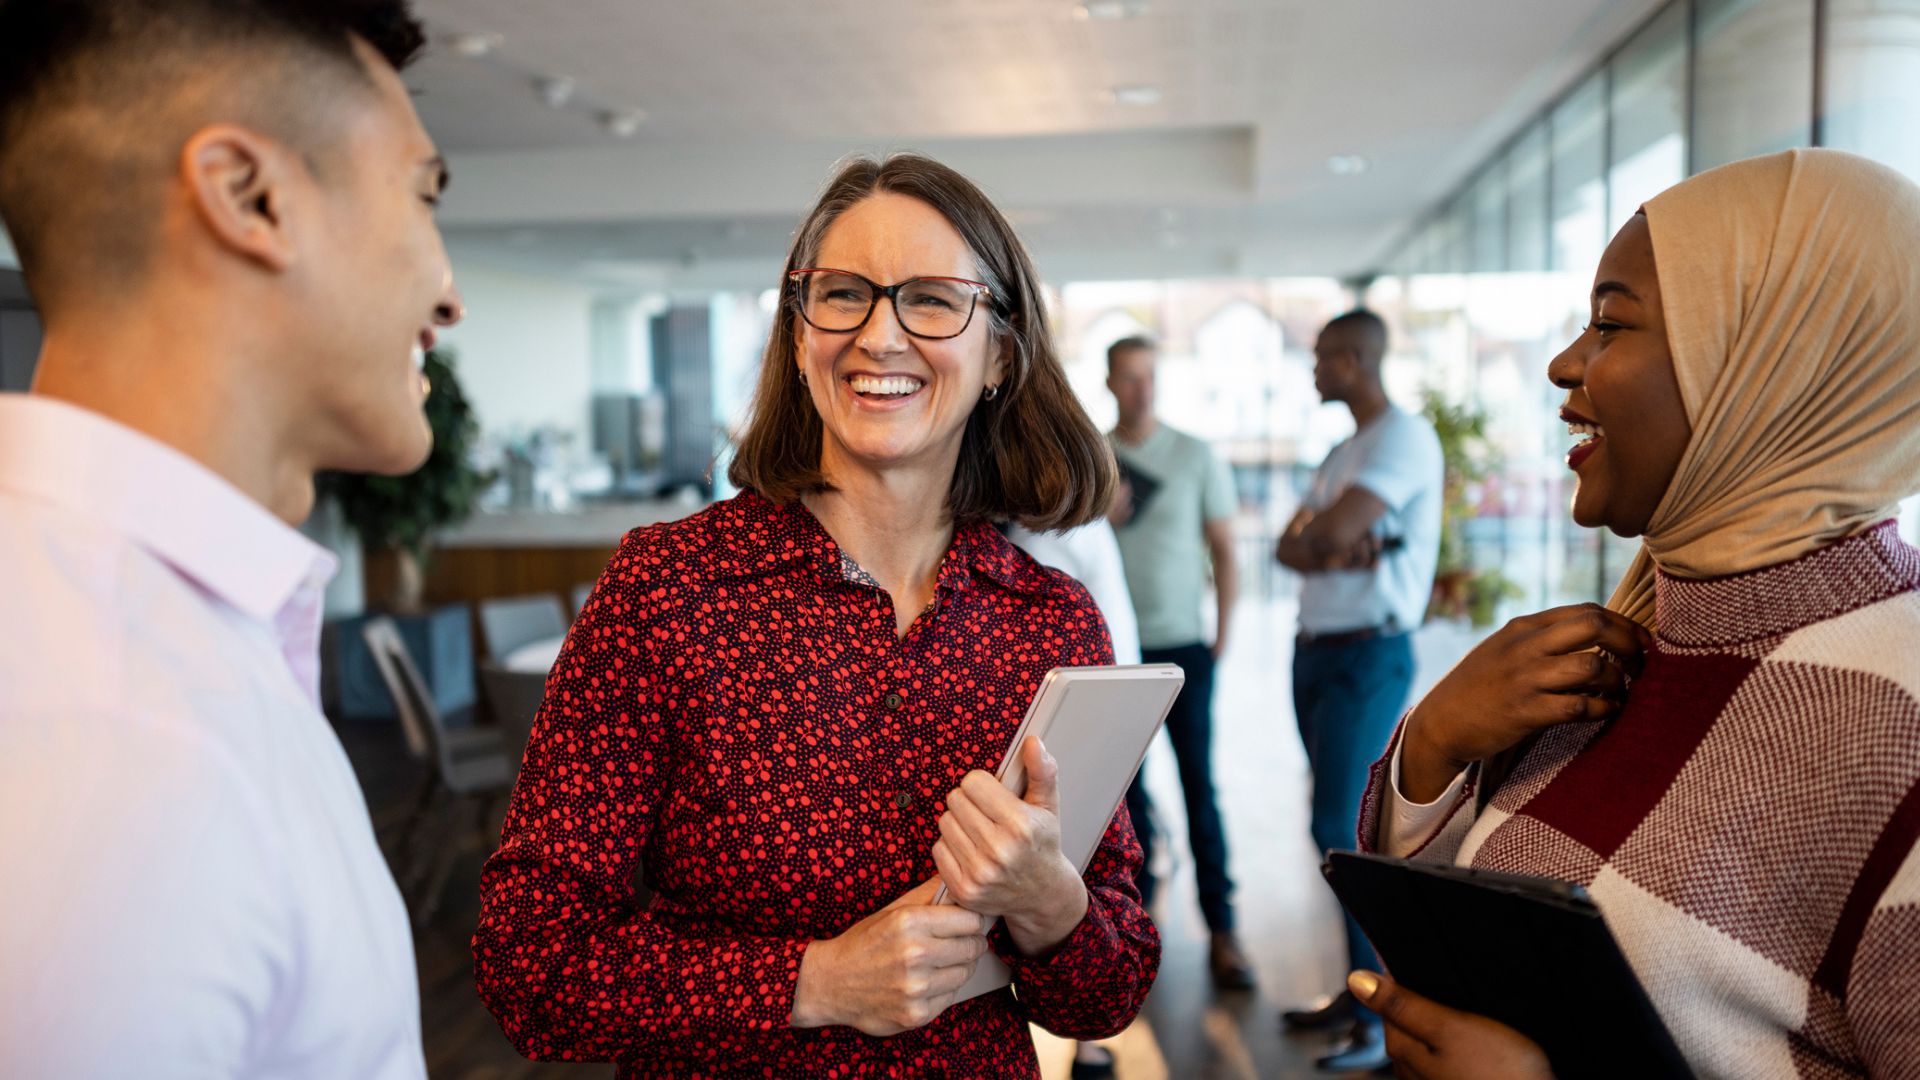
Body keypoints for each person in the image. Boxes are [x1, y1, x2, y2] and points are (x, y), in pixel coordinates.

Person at [472, 153, 1158, 1078]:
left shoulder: (1051, 622)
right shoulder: (668, 591)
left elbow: (1108, 996)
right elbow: (529, 962)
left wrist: (1049, 902)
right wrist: (814, 981)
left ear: (1000, 352)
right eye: (843, 295)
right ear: (800, 337)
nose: (880, 334)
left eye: (932, 299)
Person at [1352, 148, 1920, 1078]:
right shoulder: (1632, 637)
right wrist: (1436, 744)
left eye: (1611, 325)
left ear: (1767, 365)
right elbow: (1469, 934)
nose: (1562, 363)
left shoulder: (1898, 720)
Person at [0, 1, 463, 1077]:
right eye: (421, 194)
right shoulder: (116, 737)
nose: (449, 298)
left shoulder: (149, 649)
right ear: (251, 197)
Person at [1274, 309, 1441, 1071]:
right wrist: (1322, 542)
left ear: (1352, 359)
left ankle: (1382, 1019)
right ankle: (1358, 993)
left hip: (1367, 654)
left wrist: (1325, 541)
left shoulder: (1403, 437)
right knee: (1336, 828)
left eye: (1320, 357)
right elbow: (1291, 547)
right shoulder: (1343, 451)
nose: (1313, 369)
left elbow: (1325, 536)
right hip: (1316, 652)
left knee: (1343, 826)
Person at [1104, 335, 1256, 990]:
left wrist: (1223, 631)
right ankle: (1134, 931)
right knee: (1123, 798)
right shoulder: (1092, 459)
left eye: (1150, 376)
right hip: (1113, 654)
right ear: (1109, 383)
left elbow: (1223, 546)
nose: (1142, 389)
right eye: (1129, 377)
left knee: (1199, 786)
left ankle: (1223, 930)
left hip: (1184, 646)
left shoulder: (1195, 456)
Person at [1002, 517, 1139, 1080]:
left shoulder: (1054, 568)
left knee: (1086, 867)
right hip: (1099, 715)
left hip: (1090, 721)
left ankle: (1088, 1048)